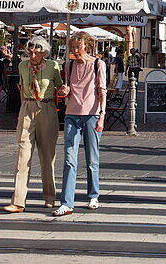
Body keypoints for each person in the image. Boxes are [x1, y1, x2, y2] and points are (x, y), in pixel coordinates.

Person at [5, 36, 63, 213]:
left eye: (36, 52)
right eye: (30, 52)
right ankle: (18, 201)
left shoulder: (53, 66)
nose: (32, 55)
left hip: (46, 107)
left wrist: (64, 90)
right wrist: (22, 111)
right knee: (23, 154)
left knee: (47, 155)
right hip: (28, 107)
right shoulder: (23, 66)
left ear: (44, 52)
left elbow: (59, 87)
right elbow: (22, 88)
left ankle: (49, 196)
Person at [52, 32, 106, 216]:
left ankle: (93, 195)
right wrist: (64, 90)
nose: (75, 51)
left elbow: (101, 91)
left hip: (91, 114)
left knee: (92, 159)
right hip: (71, 115)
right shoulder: (69, 64)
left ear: (87, 46)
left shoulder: (98, 64)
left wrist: (102, 116)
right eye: (72, 47)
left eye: (78, 47)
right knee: (69, 159)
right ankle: (67, 202)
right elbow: (65, 89)